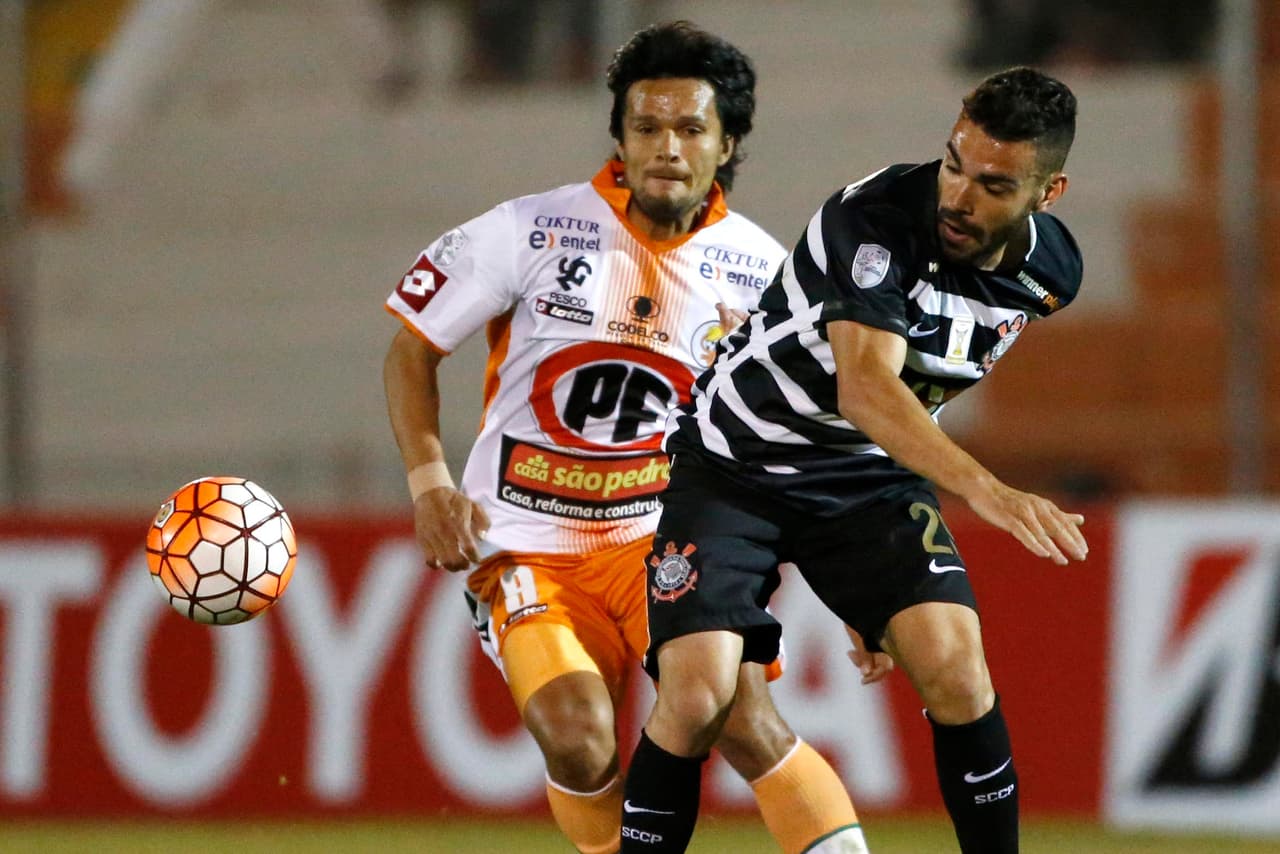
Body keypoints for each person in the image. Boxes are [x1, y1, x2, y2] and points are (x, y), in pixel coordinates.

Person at [383, 21, 869, 854]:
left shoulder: (766, 276)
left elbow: (811, 434)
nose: (666, 148)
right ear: (620, 136)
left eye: (690, 129)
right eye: (646, 127)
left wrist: (854, 582)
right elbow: (411, 350)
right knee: (576, 737)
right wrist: (430, 482)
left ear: (727, 144)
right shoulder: (530, 230)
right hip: (527, 542)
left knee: (743, 718)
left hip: (669, 541)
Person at [618, 66, 1087, 853]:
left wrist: (869, 593)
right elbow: (866, 388)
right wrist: (988, 491)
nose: (958, 197)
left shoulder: (1051, 276)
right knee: (697, 696)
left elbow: (923, 384)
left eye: (994, 185)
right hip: (740, 465)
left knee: (957, 670)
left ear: (1050, 193)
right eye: (953, 165)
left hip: (866, 480)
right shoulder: (872, 220)